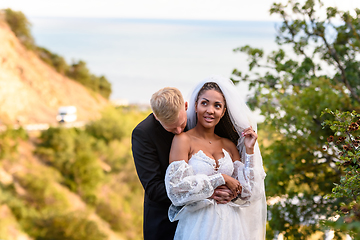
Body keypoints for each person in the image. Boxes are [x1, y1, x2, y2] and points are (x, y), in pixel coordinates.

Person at [165, 76, 267, 240]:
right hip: (198, 226)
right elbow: (176, 190)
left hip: (232, 227)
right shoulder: (183, 140)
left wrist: (249, 150)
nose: (210, 110)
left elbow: (249, 193)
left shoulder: (229, 145)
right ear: (196, 105)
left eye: (217, 105)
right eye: (204, 103)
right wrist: (221, 179)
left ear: (223, 111)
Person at [132, 87, 234, 240]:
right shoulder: (143, 133)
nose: (180, 131)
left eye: (182, 124)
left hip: (203, 222)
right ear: (157, 117)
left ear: (186, 106)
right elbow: (154, 188)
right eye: (172, 128)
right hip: (164, 220)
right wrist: (205, 193)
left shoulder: (196, 119)